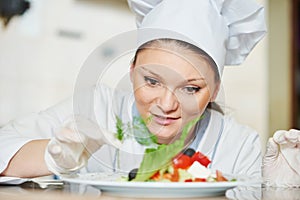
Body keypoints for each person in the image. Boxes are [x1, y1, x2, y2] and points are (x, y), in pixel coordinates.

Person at [0, 0, 299, 188]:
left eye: (191, 88)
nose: (167, 105)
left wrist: (278, 192)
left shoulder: (238, 144)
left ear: (215, 89)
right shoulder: (97, 107)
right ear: (132, 70)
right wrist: (53, 158)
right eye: (152, 81)